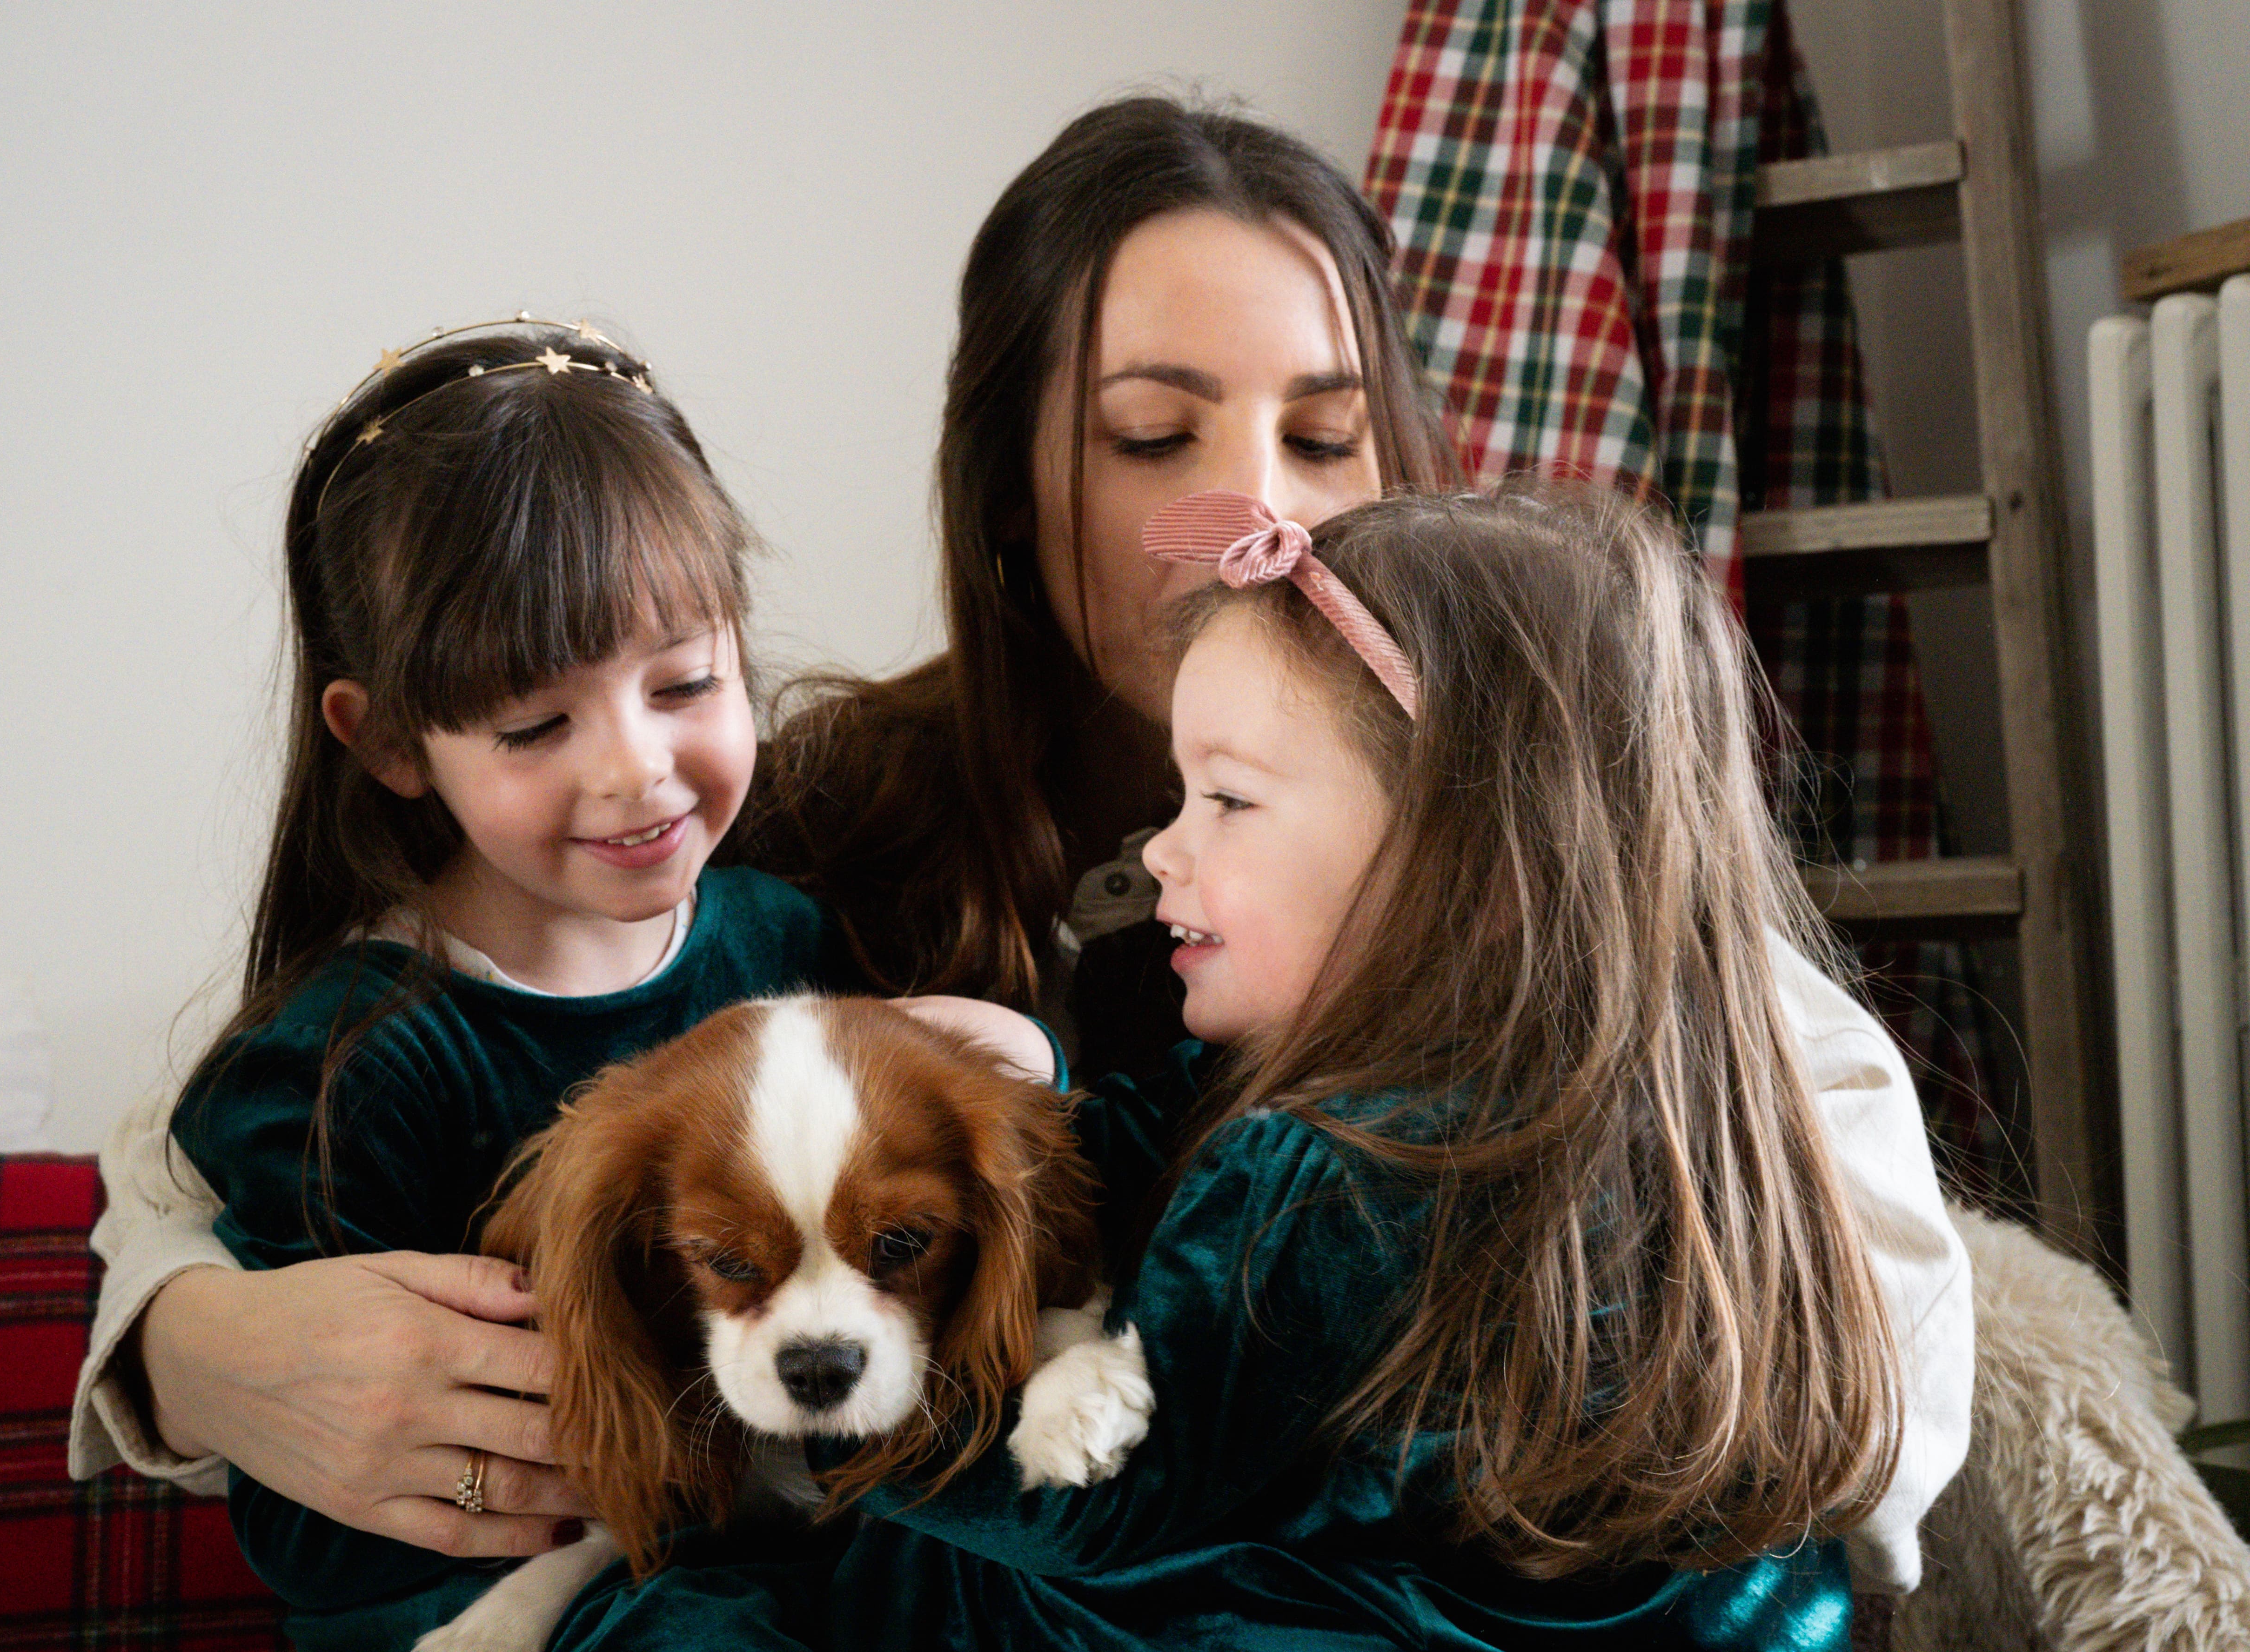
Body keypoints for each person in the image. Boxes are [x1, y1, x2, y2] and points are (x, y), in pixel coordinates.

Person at [71, 97, 1968, 1598]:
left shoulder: (1525, 859)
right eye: (1157, 433)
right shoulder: (798, 833)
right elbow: (208, 1152)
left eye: (1326, 434)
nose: (1253, 505)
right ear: (1008, 477)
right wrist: (186, 1347)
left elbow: (1847, 1245)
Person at [546, 483, 1899, 1649]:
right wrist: (997, 1117)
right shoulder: (1649, 1098)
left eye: (1229, 800)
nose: (1162, 852)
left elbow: (1109, 1504)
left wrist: (830, 1438)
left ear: (1471, 863)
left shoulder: (1343, 1164)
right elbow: (1150, 1136)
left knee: (840, 1595)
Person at [124, 317, 1031, 1646]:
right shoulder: (344, 1064)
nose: (637, 772)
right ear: (386, 742)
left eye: (686, 683)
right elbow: (318, 1521)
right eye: (539, 725)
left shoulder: (784, 936)